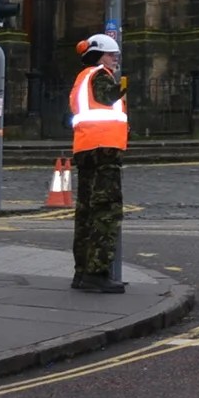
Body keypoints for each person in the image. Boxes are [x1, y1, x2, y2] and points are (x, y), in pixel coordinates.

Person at [69, 32, 128, 293]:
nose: (115, 58)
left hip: (86, 148)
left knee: (85, 213)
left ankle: (82, 272)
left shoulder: (81, 79)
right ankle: (97, 273)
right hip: (104, 150)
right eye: (110, 53)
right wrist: (124, 83)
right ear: (97, 56)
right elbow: (108, 97)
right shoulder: (100, 76)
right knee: (105, 211)